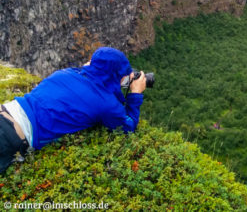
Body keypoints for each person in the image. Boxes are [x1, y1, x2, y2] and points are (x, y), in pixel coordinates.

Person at [0, 47, 147, 173]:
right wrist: (135, 94)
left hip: (6, 110)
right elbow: (128, 126)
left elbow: (89, 76)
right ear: (117, 77)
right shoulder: (105, 104)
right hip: (11, 135)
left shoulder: (65, 73)